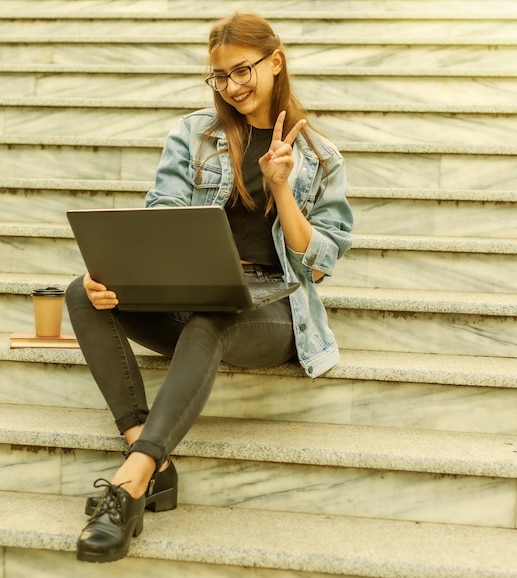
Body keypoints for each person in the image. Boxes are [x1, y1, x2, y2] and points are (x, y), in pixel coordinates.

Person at [66, 11, 353, 563]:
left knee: (213, 315)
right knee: (81, 291)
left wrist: (282, 188)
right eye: (220, 77)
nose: (233, 86)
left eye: (243, 71)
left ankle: (130, 483)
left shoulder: (319, 157)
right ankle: (151, 458)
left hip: (272, 308)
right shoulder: (192, 134)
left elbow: (319, 265)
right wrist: (115, 277)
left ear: (276, 62)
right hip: (191, 289)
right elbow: (163, 216)